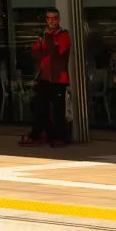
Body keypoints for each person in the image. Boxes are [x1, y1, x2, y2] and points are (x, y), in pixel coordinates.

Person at [20, 8, 72, 147]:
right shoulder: (44, 36)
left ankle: (60, 137)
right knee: (39, 107)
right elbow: (35, 53)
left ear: (59, 19)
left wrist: (48, 42)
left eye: (54, 18)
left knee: (58, 110)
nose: (51, 21)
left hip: (58, 78)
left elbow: (56, 53)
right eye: (49, 18)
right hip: (44, 77)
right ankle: (39, 134)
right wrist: (47, 46)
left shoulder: (63, 35)